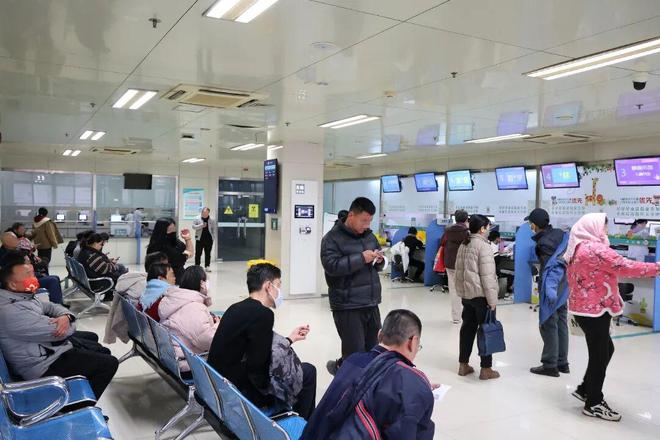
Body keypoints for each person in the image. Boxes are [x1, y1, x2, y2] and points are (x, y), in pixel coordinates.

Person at [566, 213, 660, 421]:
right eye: (604, 227)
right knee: (599, 355)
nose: (606, 231)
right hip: (595, 309)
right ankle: (594, 403)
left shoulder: (577, 247)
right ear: (594, 227)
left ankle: (585, 389)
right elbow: (626, 266)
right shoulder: (595, 249)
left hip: (583, 308)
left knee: (606, 349)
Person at [300, 309, 435, 439]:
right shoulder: (412, 382)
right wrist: (420, 389)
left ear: (379, 335)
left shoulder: (353, 360)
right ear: (413, 342)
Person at [208, 263, 317, 420]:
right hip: (240, 394)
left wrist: (290, 339)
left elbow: (255, 347)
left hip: (218, 384)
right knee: (307, 372)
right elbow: (258, 368)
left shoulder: (235, 308)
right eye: (279, 285)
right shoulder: (263, 314)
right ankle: (303, 427)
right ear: (268, 286)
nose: (280, 291)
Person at [0, 258, 118, 398]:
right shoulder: (11, 311)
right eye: (28, 275)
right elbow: (62, 332)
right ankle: (79, 404)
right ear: (12, 284)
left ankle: (83, 387)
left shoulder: (21, 296)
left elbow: (50, 306)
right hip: (42, 366)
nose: (34, 278)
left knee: (97, 344)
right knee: (109, 363)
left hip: (45, 349)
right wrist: (69, 319)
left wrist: (66, 316)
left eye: (32, 273)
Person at [321, 197, 385, 376]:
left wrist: (380, 261)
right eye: (364, 221)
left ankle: (365, 384)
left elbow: (377, 265)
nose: (367, 225)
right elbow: (332, 266)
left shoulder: (370, 236)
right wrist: (361, 258)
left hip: (371, 302)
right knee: (355, 353)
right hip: (347, 304)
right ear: (351, 215)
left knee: (375, 350)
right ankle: (346, 382)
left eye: (369, 221)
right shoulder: (331, 239)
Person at [454, 214, 500, 380]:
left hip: (467, 296)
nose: (489, 230)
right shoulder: (484, 246)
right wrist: (492, 301)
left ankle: (463, 365)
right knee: (486, 331)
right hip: (481, 297)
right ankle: (486, 369)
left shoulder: (464, 244)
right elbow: (488, 277)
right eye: (488, 227)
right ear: (482, 229)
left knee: (467, 330)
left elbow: (458, 271)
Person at [526, 208, 570, 377]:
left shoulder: (544, 243)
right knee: (561, 323)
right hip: (564, 286)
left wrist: (549, 291)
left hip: (552, 286)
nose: (530, 226)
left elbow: (552, 268)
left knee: (548, 324)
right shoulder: (559, 234)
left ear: (535, 225)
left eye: (531, 223)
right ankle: (562, 362)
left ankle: (550, 364)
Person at [159, 265, 219, 371]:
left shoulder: (174, 299)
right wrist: (218, 325)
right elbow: (206, 341)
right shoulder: (194, 307)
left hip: (171, 354)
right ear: (202, 284)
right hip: (186, 361)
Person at [104, 252, 169, 344]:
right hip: (151, 333)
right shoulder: (150, 288)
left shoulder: (133, 280)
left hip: (137, 327)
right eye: (166, 265)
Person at [0, 235, 64, 304]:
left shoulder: (15, 250)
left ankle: (58, 303)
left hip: (25, 277)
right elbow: (17, 272)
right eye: (14, 239)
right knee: (53, 280)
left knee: (55, 278)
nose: (17, 240)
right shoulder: (5, 254)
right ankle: (57, 304)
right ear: (7, 242)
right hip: (21, 282)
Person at [76, 233, 128, 298]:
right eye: (101, 244)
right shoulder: (91, 255)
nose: (101, 246)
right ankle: (121, 297)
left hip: (90, 280)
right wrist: (115, 266)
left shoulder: (85, 251)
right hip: (97, 283)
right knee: (124, 275)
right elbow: (105, 269)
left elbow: (100, 266)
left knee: (122, 271)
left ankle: (110, 296)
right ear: (95, 243)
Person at [441, 209, 470, 324]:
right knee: (465, 290)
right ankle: (466, 315)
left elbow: (442, 243)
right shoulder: (467, 232)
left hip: (449, 263)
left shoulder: (448, 231)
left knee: (453, 290)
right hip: (463, 264)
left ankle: (456, 317)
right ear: (466, 219)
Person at [147, 218, 193, 283]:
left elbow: (189, 254)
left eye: (174, 228)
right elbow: (185, 255)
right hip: (166, 279)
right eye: (170, 229)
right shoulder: (156, 247)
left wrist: (187, 239)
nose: (173, 231)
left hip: (179, 277)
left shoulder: (176, 242)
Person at [192, 207, 217, 272]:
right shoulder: (197, 218)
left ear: (208, 213)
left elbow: (214, 229)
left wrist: (213, 237)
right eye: (203, 212)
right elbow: (193, 227)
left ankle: (207, 266)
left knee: (208, 253)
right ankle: (197, 267)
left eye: (206, 213)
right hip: (199, 239)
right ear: (201, 212)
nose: (204, 214)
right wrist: (201, 225)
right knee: (198, 253)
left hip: (209, 239)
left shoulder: (212, 219)